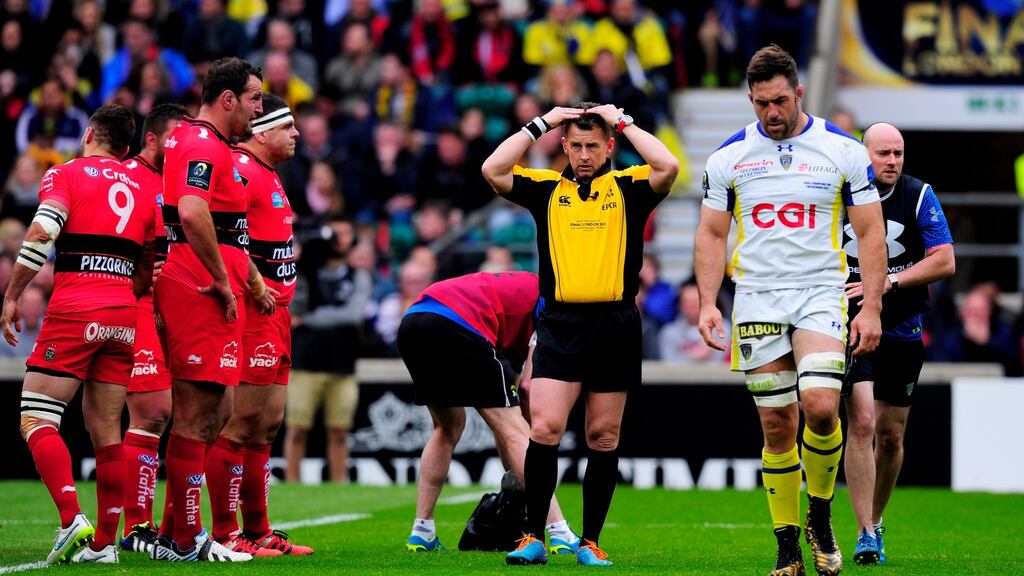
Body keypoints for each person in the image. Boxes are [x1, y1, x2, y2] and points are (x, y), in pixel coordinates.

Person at [694, 44, 886, 576]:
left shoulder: (843, 149)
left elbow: (870, 232)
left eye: (779, 101)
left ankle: (819, 515)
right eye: (760, 104)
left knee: (822, 406)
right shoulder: (728, 156)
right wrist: (709, 302)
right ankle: (786, 547)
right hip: (756, 296)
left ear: (799, 92)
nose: (771, 113)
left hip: (820, 292)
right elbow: (712, 234)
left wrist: (870, 307)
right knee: (777, 424)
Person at [481, 101, 678, 566]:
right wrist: (543, 121)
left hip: (615, 325)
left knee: (603, 436)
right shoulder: (546, 189)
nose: (585, 154)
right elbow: (493, 167)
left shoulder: (628, 187)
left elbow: (667, 165)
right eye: (576, 145)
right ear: (564, 146)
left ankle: (589, 539)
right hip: (560, 324)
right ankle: (533, 536)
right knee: (545, 428)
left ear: (609, 146)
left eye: (593, 145)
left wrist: (623, 120)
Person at [1, 104, 155, 564]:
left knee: (36, 417)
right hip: (123, 313)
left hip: (75, 307)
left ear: (89, 134)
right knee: (108, 431)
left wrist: (13, 295)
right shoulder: (145, 190)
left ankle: (71, 519)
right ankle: (106, 546)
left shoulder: (66, 174)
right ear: (127, 148)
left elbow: (42, 231)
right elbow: (149, 265)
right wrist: (122, 297)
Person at [150, 57, 265, 563]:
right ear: (228, 99)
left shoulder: (206, 143)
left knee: (217, 413)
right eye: (255, 98)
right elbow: (193, 211)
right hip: (199, 287)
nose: (259, 109)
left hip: (212, 287)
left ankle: (173, 532)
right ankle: (188, 539)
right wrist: (222, 279)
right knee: (197, 417)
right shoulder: (199, 142)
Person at [398, 272, 580, 555]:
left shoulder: (528, 290)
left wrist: (516, 473)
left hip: (414, 323)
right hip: (459, 323)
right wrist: (525, 467)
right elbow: (529, 388)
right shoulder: (553, 303)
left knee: (447, 427)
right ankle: (559, 531)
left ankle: (422, 532)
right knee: (515, 429)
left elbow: (508, 412)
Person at [841, 121, 955, 565]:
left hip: (904, 326)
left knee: (890, 435)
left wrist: (889, 281)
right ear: (863, 154)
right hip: (852, 324)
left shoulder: (919, 194)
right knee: (863, 422)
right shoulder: (840, 194)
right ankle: (864, 533)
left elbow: (944, 259)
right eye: (883, 153)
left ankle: (876, 519)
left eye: (898, 153)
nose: (892, 161)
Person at [206, 94, 313, 556]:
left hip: (279, 313)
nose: (296, 135)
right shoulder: (241, 168)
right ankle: (226, 532)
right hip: (255, 312)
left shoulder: (267, 174)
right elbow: (222, 234)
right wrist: (254, 283)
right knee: (241, 422)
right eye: (287, 127)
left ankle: (258, 529)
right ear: (262, 132)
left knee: (267, 425)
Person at [118, 103, 188, 555]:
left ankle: (172, 527)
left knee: (192, 413)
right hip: (134, 303)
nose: (183, 149)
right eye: (174, 140)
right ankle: (134, 526)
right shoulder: (124, 178)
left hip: (179, 307)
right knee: (152, 412)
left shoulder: (180, 181)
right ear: (151, 140)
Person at [285, 216, 373, 484]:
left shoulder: (359, 276)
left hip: (343, 364)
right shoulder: (304, 270)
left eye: (345, 233)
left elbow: (353, 315)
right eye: (334, 233)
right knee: (297, 429)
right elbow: (293, 310)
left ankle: (339, 483)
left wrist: (309, 318)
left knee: (339, 431)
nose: (338, 239)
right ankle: (292, 483)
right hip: (305, 362)